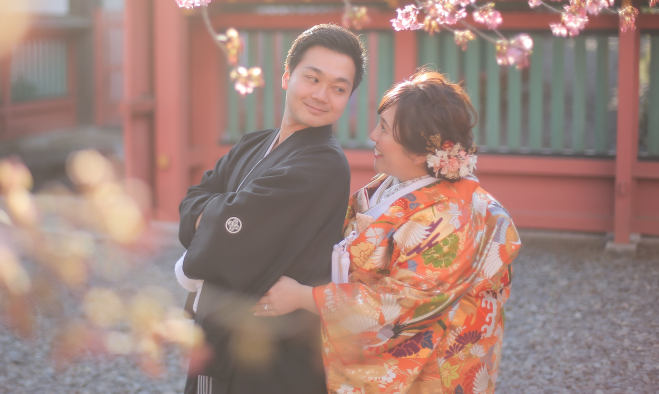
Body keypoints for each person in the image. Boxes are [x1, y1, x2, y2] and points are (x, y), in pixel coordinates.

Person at [254, 69, 522, 394]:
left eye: (384, 128)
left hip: (431, 364)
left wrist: (304, 297)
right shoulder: (393, 181)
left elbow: (401, 306)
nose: (372, 135)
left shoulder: (449, 218)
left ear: (423, 148)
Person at [177, 24, 367, 394]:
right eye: (312, 78)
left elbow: (225, 231)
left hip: (274, 350)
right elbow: (194, 197)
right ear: (286, 76)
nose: (322, 95)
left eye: (339, 89)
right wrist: (219, 212)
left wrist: (213, 213)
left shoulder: (322, 163)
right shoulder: (255, 143)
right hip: (225, 333)